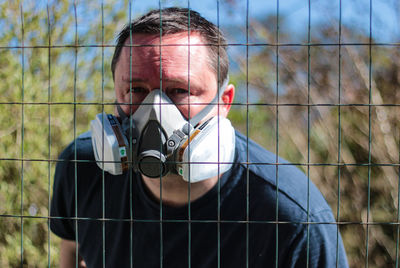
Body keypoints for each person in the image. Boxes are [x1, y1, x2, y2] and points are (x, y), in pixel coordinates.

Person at [50, 7, 349, 268]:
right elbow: (72, 248)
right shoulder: (82, 169)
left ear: (224, 102)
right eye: (136, 90)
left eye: (180, 90)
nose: (154, 110)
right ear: (117, 94)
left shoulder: (293, 218)